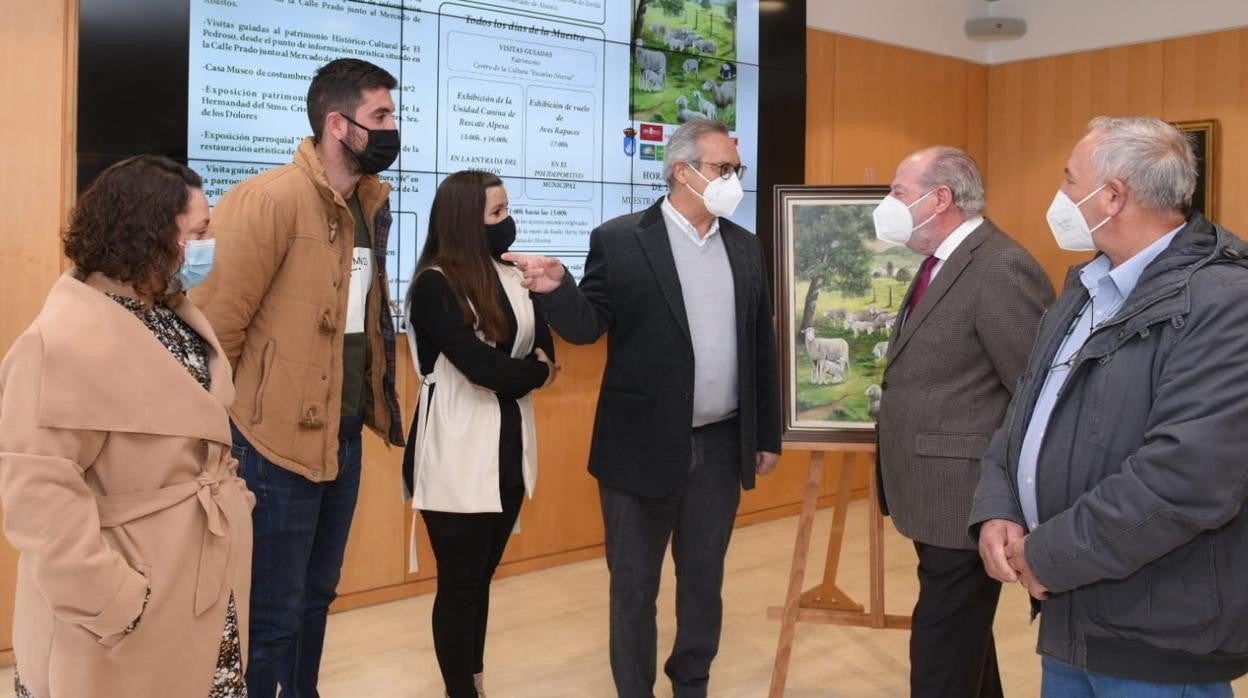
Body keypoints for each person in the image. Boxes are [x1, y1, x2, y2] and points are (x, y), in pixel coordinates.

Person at [970, 116, 1248, 697]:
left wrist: (1045, 555)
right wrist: (999, 506)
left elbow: (1183, 482)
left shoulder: (1224, 302)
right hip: (1073, 615)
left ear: (1113, 197)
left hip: (1157, 636)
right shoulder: (1087, 289)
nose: (1062, 197)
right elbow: (1024, 411)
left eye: (1070, 180)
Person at [504, 118, 782, 698]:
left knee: (703, 583)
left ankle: (692, 684)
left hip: (722, 442)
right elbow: (588, 327)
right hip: (639, 448)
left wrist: (767, 432)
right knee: (634, 587)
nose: (733, 179)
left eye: (738, 170)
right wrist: (558, 287)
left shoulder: (745, 245)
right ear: (683, 172)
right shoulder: (622, 239)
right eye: (723, 169)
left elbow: (762, 342)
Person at [191, 58, 405, 696]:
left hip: (340, 438)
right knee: (272, 616)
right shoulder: (269, 198)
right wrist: (221, 441)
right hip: (270, 446)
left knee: (316, 600)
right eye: (381, 117)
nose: (394, 128)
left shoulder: (368, 205)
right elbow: (215, 333)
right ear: (338, 125)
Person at [0, 155, 253, 697]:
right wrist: (113, 602)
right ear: (149, 236)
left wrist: (237, 504)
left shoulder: (169, 311)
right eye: (200, 231)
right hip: (124, 613)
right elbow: (39, 498)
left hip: (200, 584)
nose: (210, 244)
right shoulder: (57, 342)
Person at [872, 146, 1053, 697]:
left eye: (899, 192)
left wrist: (1014, 501)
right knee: (963, 635)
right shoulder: (940, 262)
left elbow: (1034, 389)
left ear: (940, 198)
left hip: (968, 497)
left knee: (941, 645)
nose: (889, 203)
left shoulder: (999, 265)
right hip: (932, 495)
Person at [403, 170, 558, 698]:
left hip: (509, 452)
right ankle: (460, 690)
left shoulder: (513, 274)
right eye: (496, 213)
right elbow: (483, 368)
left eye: (507, 209)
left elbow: (547, 346)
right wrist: (533, 372)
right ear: (467, 222)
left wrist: (533, 367)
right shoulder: (435, 283)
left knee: (481, 578)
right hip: (456, 451)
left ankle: (472, 680)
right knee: (461, 583)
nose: (507, 222)